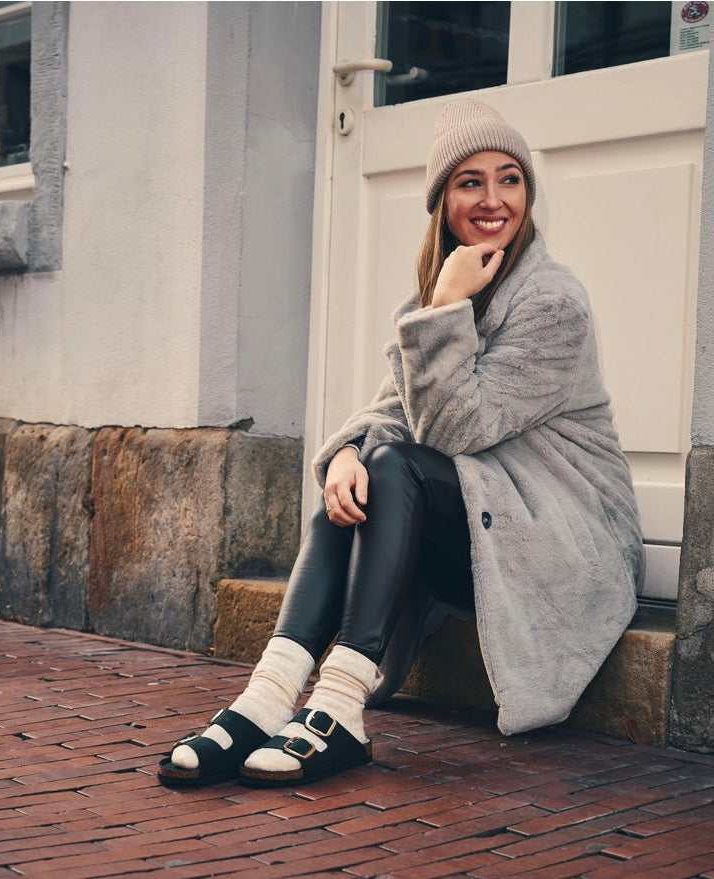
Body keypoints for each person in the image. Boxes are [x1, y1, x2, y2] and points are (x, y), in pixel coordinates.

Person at [157, 97, 644, 789]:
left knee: (393, 466)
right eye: (469, 182)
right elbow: (392, 411)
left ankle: (338, 706)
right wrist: (345, 452)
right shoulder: (437, 297)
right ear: (442, 201)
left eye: (509, 179)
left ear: (528, 193)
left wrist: (444, 307)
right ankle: (266, 695)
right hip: (491, 532)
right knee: (361, 474)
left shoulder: (552, 303)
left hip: (567, 544)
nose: (493, 199)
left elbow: (452, 432)